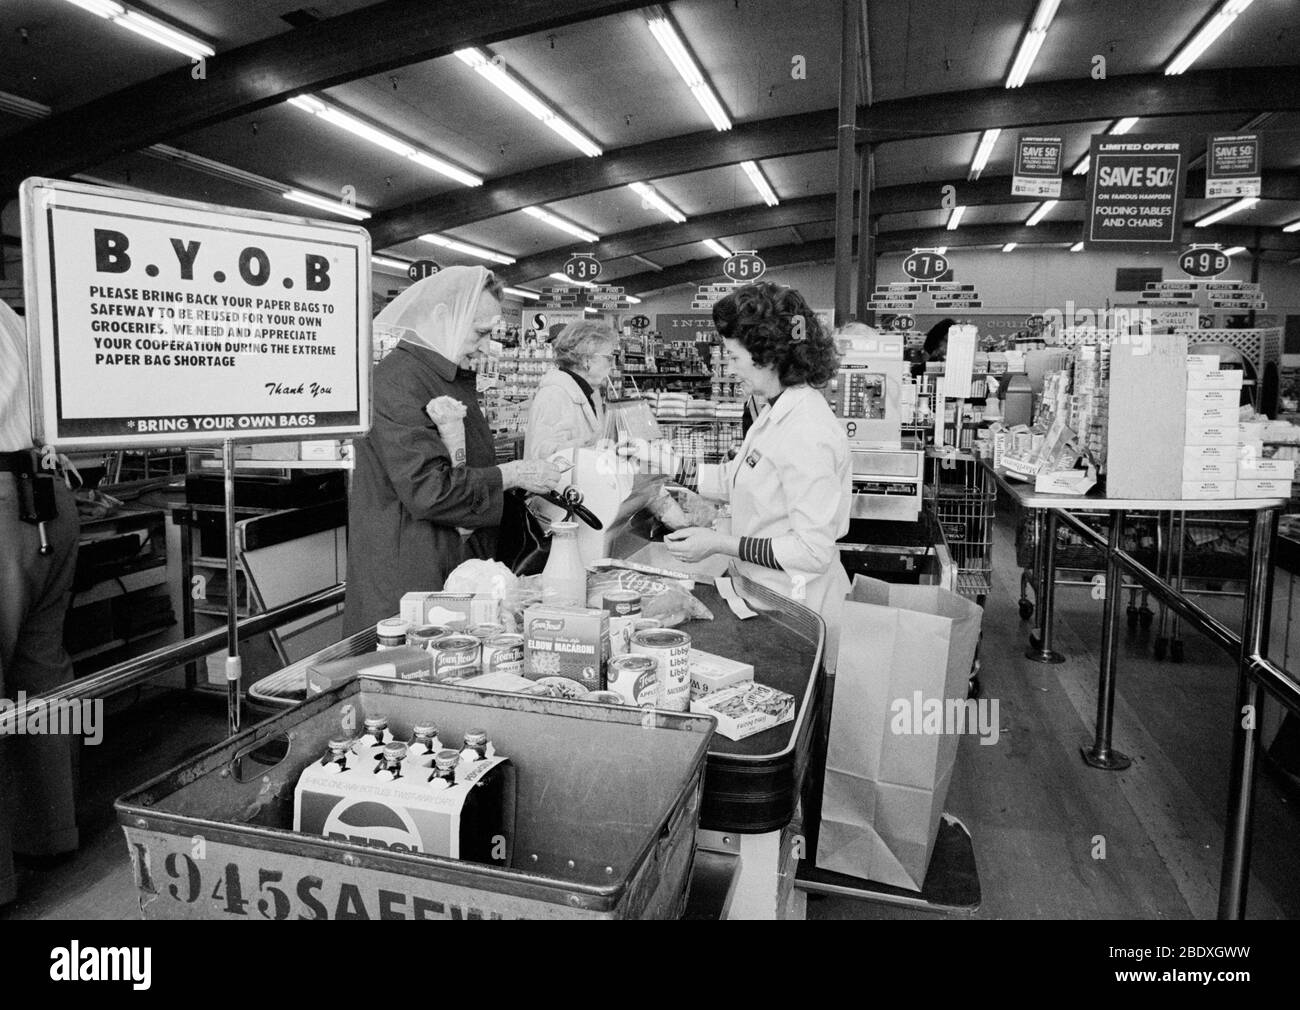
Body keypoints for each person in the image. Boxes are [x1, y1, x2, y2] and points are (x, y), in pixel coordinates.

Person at [343, 267, 562, 635]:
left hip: (449, 568)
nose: (484, 344)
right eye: (479, 332)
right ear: (443, 315)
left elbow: (462, 466)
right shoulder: (397, 384)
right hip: (410, 579)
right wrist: (514, 475)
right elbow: (429, 489)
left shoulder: (445, 377)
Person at [663, 282, 852, 669]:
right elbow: (735, 480)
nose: (730, 369)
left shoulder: (806, 430)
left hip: (799, 614)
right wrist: (663, 465)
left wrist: (718, 542)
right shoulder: (773, 411)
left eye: (734, 357)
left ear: (768, 356)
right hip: (768, 600)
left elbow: (812, 551)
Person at [0, 299, 81, 906]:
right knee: (41, 676)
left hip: (2, 501)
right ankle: (52, 832)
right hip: (48, 494)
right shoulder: (13, 316)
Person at [524, 319, 616, 460]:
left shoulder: (587, 392)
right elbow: (542, 457)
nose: (613, 366)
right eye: (609, 358)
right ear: (587, 360)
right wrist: (588, 448)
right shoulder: (553, 396)